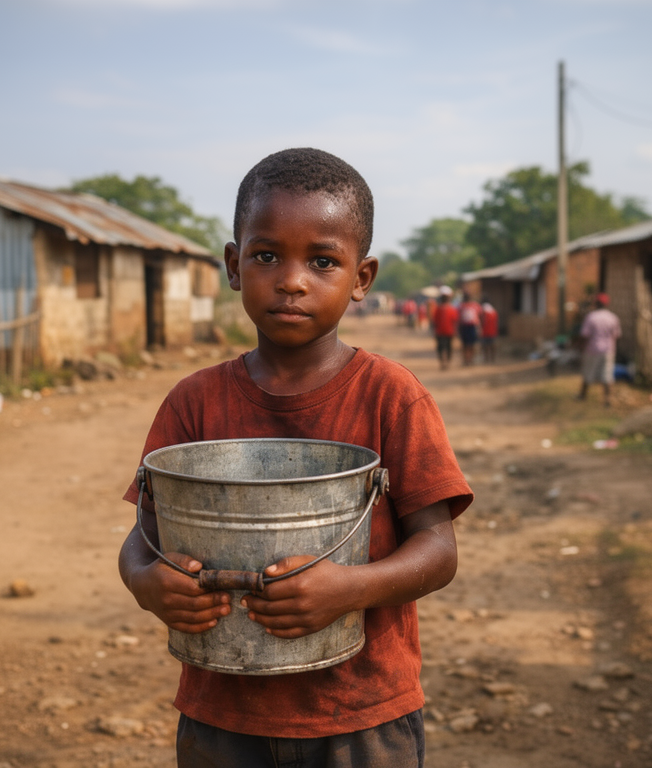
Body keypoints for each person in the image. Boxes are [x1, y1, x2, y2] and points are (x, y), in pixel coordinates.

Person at [118, 148, 473, 768]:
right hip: (221, 710)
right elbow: (141, 538)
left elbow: (437, 552)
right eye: (265, 256)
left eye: (322, 261)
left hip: (360, 715)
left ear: (361, 278)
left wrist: (349, 589)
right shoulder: (193, 401)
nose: (291, 279)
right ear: (233, 265)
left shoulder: (392, 396)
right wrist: (149, 584)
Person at [577, 293, 621, 406]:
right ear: (606, 304)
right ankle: (607, 399)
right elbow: (616, 335)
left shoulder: (591, 317)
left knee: (588, 373)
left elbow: (584, 335)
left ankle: (582, 395)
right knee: (607, 375)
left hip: (593, 349)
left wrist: (581, 347)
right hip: (608, 350)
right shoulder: (613, 317)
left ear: (596, 303)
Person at [431, 286, 457, 370]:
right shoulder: (452, 309)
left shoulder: (438, 309)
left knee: (441, 348)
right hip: (449, 332)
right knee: (449, 348)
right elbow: (454, 321)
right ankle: (447, 363)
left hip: (440, 332)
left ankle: (442, 363)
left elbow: (435, 321)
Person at [457, 293, 481, 366]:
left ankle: (468, 359)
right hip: (468, 327)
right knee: (469, 345)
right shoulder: (473, 305)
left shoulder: (462, 306)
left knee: (468, 345)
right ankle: (468, 359)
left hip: (468, 327)